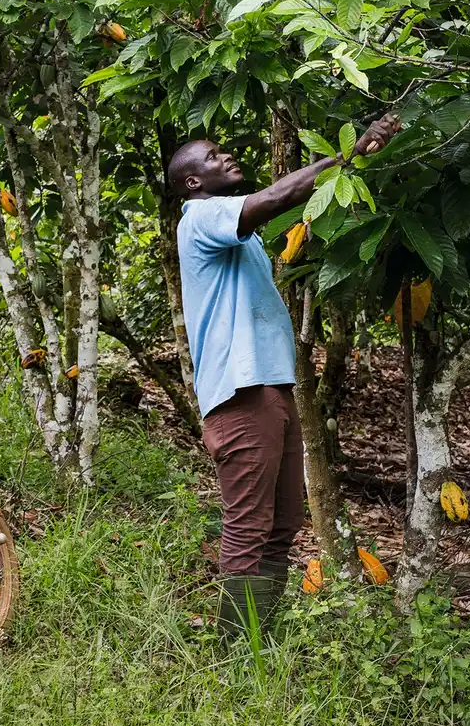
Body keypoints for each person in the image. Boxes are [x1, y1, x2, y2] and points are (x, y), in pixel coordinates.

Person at [167, 112, 400, 635]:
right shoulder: (201, 216)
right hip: (240, 393)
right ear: (193, 182)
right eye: (213, 156)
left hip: (270, 388)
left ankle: (258, 635)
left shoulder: (237, 234)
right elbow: (274, 198)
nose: (226, 155)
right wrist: (347, 155)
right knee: (249, 524)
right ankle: (236, 649)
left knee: (283, 521)